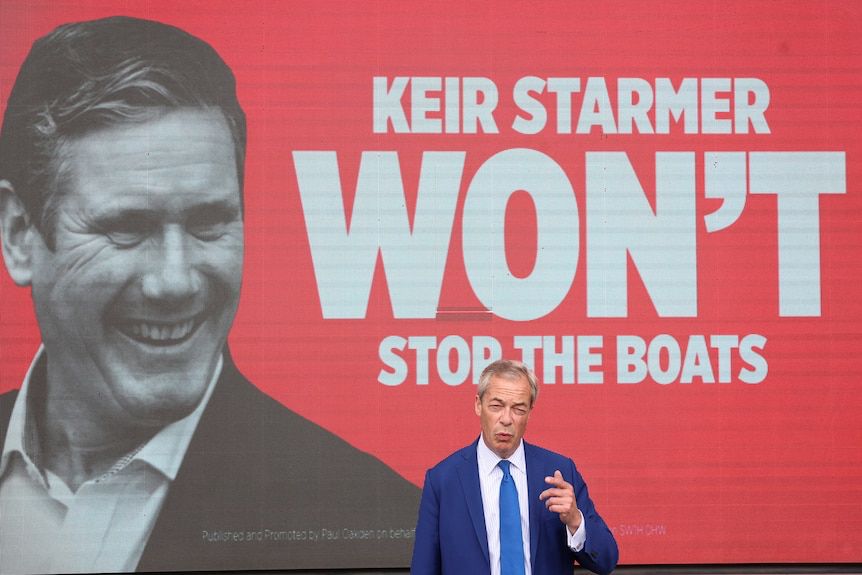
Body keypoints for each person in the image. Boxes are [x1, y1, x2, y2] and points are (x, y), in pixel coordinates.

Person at [0, 16, 419, 574]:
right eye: (127, 227)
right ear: (20, 236)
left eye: (208, 224)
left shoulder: (384, 526)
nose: (176, 281)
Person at [411, 359, 618, 575]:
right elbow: (424, 567)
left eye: (518, 409)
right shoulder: (443, 480)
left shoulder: (559, 472)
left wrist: (575, 521)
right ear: (478, 405)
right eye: (496, 406)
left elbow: (606, 560)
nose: (506, 419)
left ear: (529, 412)